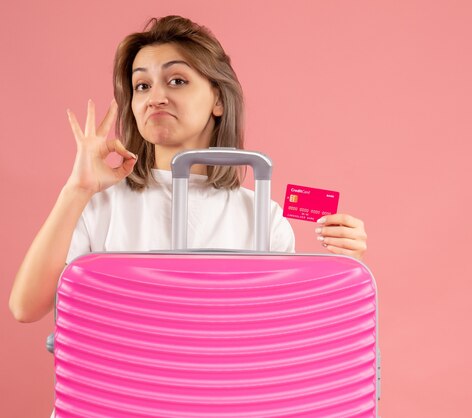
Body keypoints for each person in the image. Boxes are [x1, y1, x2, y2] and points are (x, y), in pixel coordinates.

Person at [9, 15, 368, 325]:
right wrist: (77, 190)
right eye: (142, 85)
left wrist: (344, 268)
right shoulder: (99, 203)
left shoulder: (261, 216)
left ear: (217, 99)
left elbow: (275, 335)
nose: (155, 97)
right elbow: (25, 307)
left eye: (177, 80)